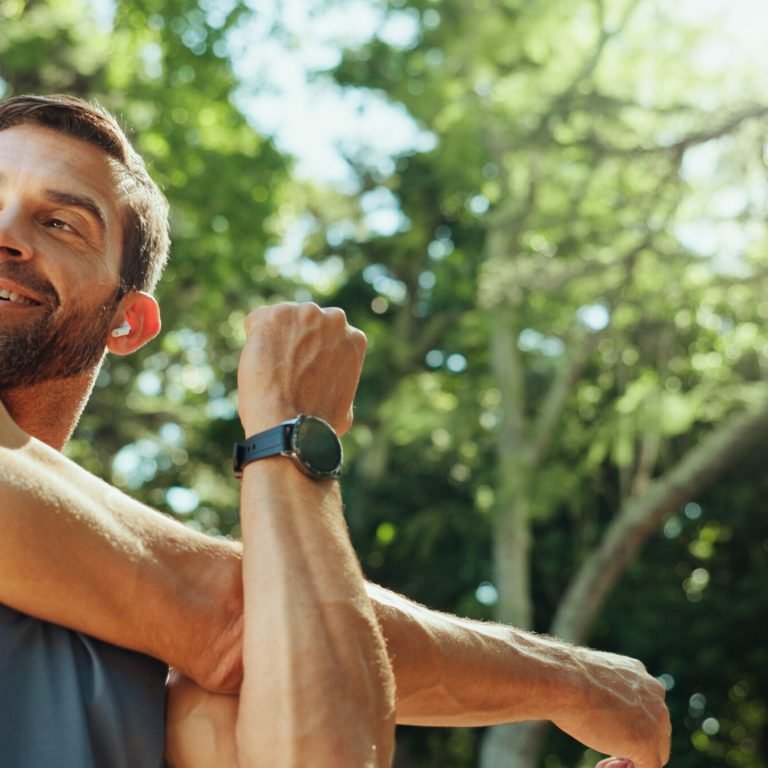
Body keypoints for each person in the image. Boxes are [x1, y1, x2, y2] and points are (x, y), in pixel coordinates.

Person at [0, 93, 671, 768]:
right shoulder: (190, 628)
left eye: (61, 223)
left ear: (129, 322)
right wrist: (292, 431)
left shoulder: (148, 666)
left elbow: (293, 686)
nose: (5, 230)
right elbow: (232, 613)